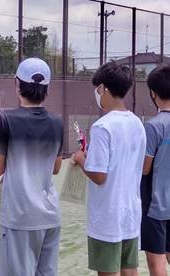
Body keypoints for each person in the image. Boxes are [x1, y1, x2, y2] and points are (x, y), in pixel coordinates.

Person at [0, 58, 63, 276]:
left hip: (20, 214)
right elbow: (56, 168)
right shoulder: (57, 121)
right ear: (46, 88)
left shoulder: (5, 119)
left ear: (17, 84)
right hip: (50, 214)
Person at [72, 61, 146, 276]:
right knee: (130, 269)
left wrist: (80, 158)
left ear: (103, 88)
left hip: (107, 215)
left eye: (97, 89)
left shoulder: (103, 126)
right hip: (131, 212)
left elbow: (99, 175)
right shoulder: (137, 123)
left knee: (108, 271)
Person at [140, 64, 170, 276]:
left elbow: (145, 168)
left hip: (156, 206)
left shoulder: (153, 126)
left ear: (153, 93)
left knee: (157, 262)